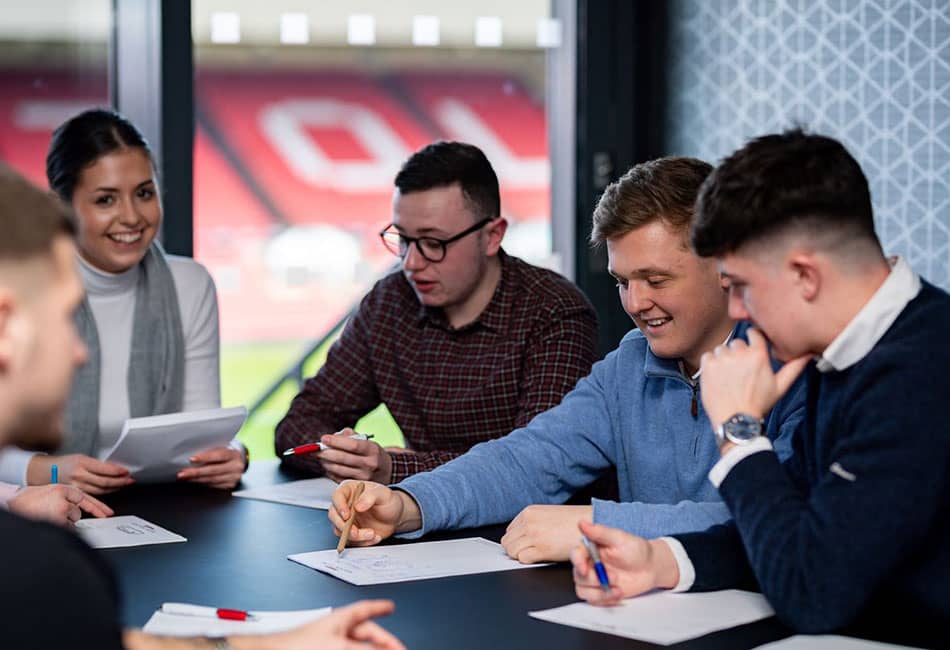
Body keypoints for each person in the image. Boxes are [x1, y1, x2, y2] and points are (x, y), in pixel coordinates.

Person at [0, 163, 404, 650]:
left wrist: (273, 644)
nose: (80, 351)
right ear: (8, 328)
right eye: (66, 317)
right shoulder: (37, 571)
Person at [571, 131, 950, 646]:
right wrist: (664, 561)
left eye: (742, 286)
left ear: (805, 276)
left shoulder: (925, 369)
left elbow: (813, 590)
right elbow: (792, 529)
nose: (739, 311)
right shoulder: (834, 352)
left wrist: (739, 432)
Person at [326, 157, 805, 563]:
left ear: (725, 267)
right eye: (622, 281)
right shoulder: (627, 366)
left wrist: (596, 523)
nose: (635, 303)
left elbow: (777, 517)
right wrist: (409, 504)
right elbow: (527, 459)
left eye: (656, 280)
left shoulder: (796, 371)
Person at [275, 141, 599, 484]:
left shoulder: (555, 312)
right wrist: (341, 456)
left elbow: (537, 463)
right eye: (403, 239)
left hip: (519, 530)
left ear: (492, 236)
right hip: (412, 524)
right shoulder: (389, 303)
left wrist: (396, 469)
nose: (411, 263)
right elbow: (298, 423)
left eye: (433, 243)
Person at [0, 109, 245, 494]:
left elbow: (201, 432)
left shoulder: (190, 285)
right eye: (106, 200)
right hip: (43, 509)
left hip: (156, 509)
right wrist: (47, 471)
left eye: (144, 194)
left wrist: (232, 453)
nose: (131, 216)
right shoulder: (20, 287)